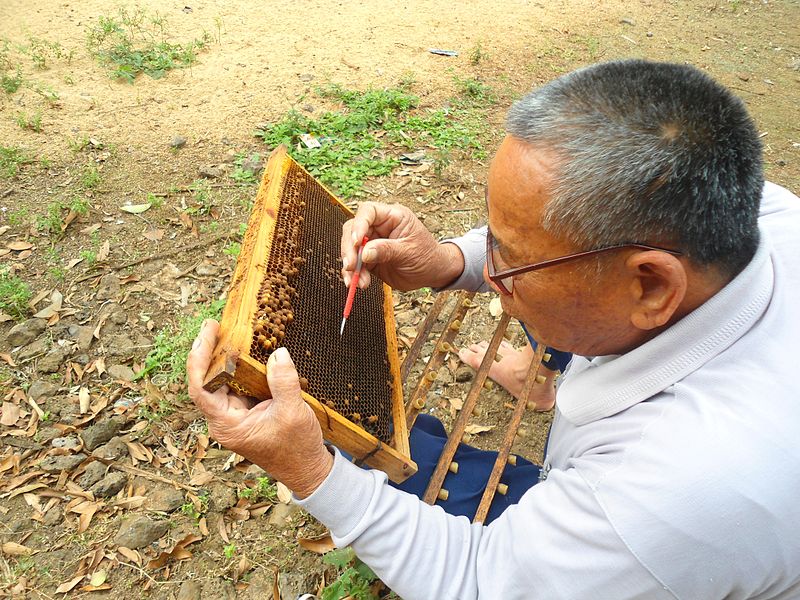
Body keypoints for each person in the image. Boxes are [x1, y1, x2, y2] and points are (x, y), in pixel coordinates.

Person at [187, 59, 800, 599]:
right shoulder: (758, 218)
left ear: (651, 286)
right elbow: (560, 254)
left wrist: (311, 471)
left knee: (401, 467)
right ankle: (541, 372)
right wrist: (451, 262)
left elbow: (480, 580)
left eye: (509, 254)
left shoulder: (672, 497)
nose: (492, 266)